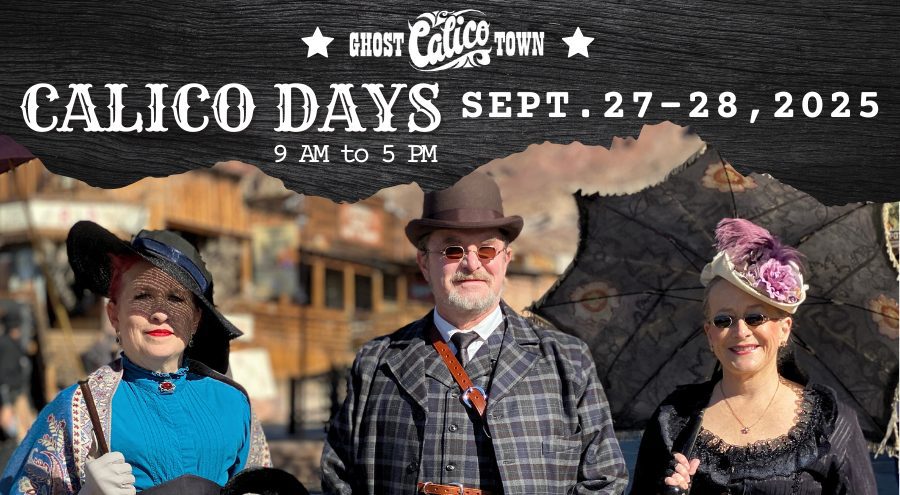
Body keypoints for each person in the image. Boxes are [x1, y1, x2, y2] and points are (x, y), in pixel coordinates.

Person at [321, 172, 628, 494]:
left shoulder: (567, 361)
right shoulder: (375, 363)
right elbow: (339, 477)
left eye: (486, 251)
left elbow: (605, 479)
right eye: (452, 250)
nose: (471, 264)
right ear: (424, 263)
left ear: (506, 260)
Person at [0, 221, 272, 495]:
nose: (160, 314)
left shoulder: (234, 402)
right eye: (143, 295)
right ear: (114, 314)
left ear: (196, 319)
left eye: (176, 298)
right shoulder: (77, 408)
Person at [630, 218, 877, 494]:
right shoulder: (675, 420)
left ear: (784, 329)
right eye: (724, 320)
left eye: (755, 317)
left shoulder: (832, 423)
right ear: (710, 334)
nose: (740, 331)